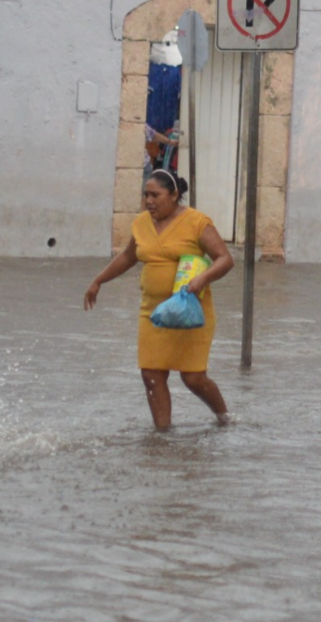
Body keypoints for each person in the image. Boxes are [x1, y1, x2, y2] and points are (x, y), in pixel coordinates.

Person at [83, 169, 233, 430]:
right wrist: (98, 281)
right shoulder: (141, 223)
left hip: (190, 310)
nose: (149, 201)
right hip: (153, 312)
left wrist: (202, 279)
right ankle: (163, 435)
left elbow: (225, 258)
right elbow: (128, 257)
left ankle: (224, 417)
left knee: (193, 378)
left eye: (155, 195)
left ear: (174, 195)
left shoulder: (197, 222)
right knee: (152, 374)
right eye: (145, 195)